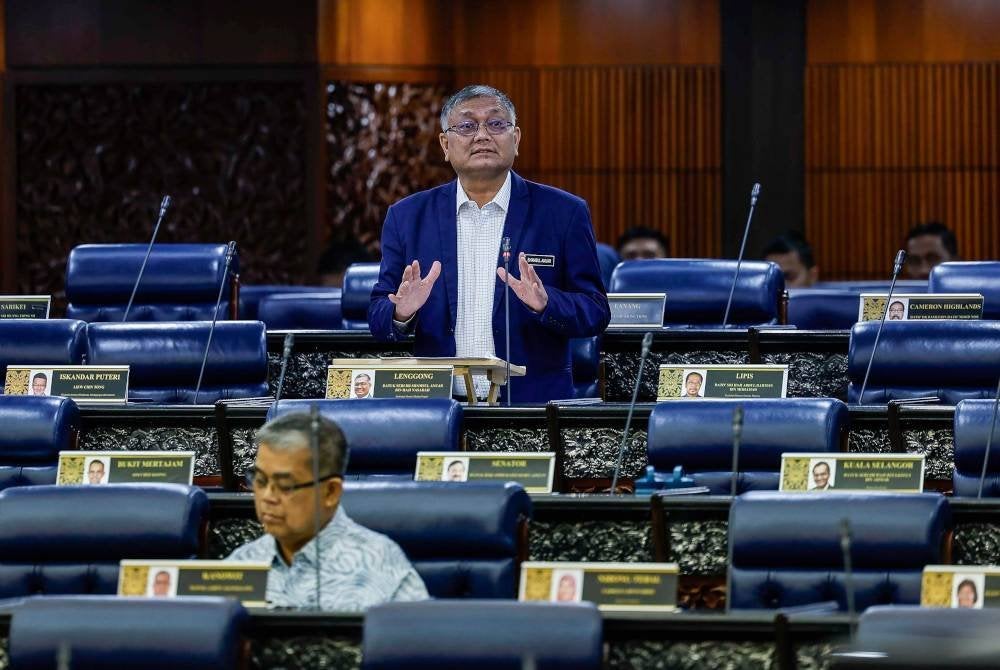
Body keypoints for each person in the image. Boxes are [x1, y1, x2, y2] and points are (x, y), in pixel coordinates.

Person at [368, 85, 610, 404]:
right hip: (440, 405)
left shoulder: (564, 213)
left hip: (531, 405)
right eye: (467, 126)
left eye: (496, 124)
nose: (482, 135)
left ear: (516, 138)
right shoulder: (407, 217)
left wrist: (546, 302)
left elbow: (595, 310)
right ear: (445, 143)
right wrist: (401, 311)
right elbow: (377, 315)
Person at [227, 412, 428, 611]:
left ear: (330, 492)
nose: (267, 497)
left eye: (285, 485)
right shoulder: (243, 562)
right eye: (260, 480)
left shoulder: (381, 563)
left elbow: (420, 641)